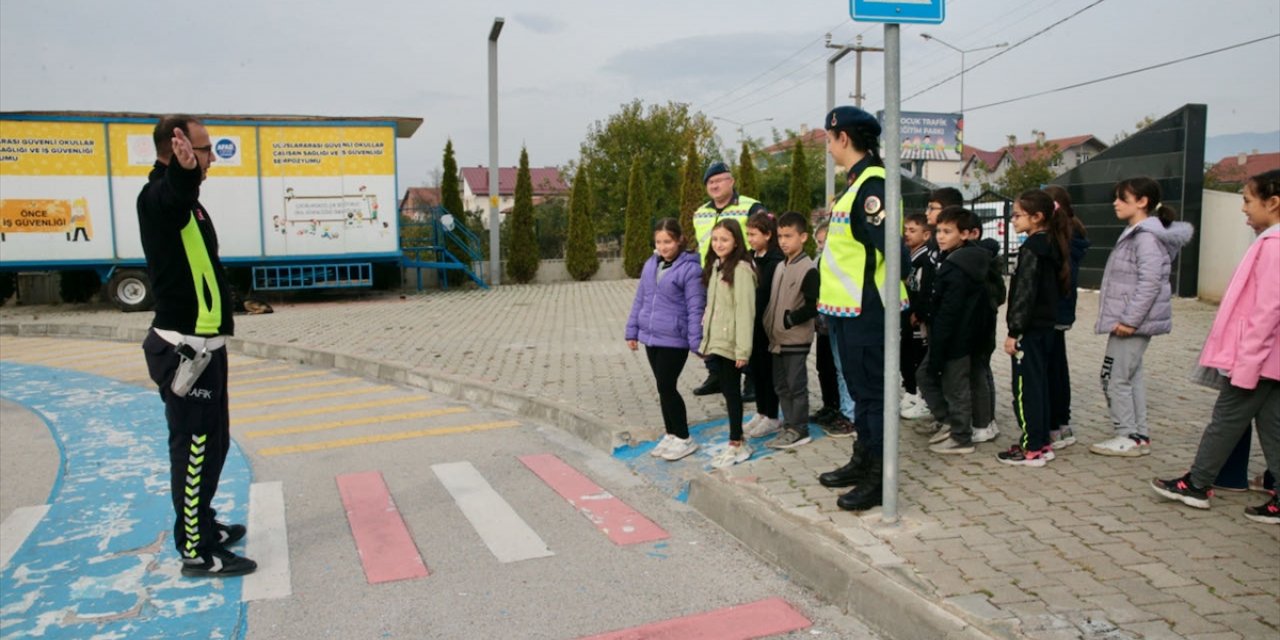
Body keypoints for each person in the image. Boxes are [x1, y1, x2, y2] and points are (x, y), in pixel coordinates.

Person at [137, 115, 255, 577]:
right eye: (204, 150)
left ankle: (202, 523)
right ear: (177, 147)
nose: (210, 159)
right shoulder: (158, 197)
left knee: (216, 444)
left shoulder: (191, 205)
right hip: (184, 350)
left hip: (208, 347)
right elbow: (174, 193)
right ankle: (195, 550)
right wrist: (183, 172)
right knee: (194, 450)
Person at [1151, 169, 1280, 524]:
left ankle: (1197, 484)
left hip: (1258, 360)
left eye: (1248, 200)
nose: (1243, 209)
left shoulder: (1274, 246)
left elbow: (1267, 311)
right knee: (1272, 426)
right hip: (1269, 361)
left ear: (1273, 203)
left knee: (1225, 421)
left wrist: (1246, 364)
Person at [814, 105, 909, 511]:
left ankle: (878, 478)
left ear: (844, 138)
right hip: (846, 311)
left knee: (873, 397)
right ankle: (863, 459)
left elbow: (896, 255)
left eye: (829, 140)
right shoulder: (855, 185)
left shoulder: (872, 186)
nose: (828, 148)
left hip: (868, 311)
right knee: (860, 393)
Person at [1090, 177, 1194, 457]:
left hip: (1131, 323)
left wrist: (1129, 320)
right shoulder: (1139, 233)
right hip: (1129, 321)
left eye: (1122, 198)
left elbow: (1149, 283)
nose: (1115, 203)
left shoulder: (1145, 237)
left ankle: (1127, 435)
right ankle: (1137, 434)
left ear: (1142, 201)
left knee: (1113, 377)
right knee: (1129, 376)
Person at [998, 189, 1070, 467]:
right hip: (1045, 327)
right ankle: (1040, 441)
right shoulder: (1051, 244)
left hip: (1030, 330)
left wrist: (1014, 331)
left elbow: (1024, 295)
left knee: (1026, 388)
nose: (1013, 220)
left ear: (1037, 217)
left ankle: (1032, 447)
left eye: (1017, 215)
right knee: (1039, 384)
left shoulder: (1032, 249)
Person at [626, 218, 706, 462]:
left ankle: (684, 437)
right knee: (662, 388)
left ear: (680, 240)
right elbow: (640, 298)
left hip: (674, 338)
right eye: (659, 242)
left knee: (668, 386)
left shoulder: (690, 269)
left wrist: (696, 341)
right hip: (651, 337)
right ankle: (671, 434)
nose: (663, 247)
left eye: (668, 241)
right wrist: (632, 331)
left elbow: (696, 307)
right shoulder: (651, 264)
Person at [918, 207, 991, 455]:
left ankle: (960, 436)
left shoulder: (958, 267)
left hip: (956, 337)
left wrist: (941, 340)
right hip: (956, 335)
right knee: (926, 375)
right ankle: (949, 422)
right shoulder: (952, 260)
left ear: (965, 235)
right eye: (939, 230)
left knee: (954, 386)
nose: (940, 236)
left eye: (947, 231)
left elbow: (951, 310)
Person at [691, 162, 766, 398]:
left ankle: (752, 380)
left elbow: (764, 237)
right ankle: (716, 375)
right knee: (712, 326)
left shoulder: (751, 206)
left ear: (731, 181)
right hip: (711, 276)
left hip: (741, 275)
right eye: (710, 182)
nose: (714, 185)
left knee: (745, 327)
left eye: (719, 180)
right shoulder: (701, 212)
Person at [698, 218, 757, 468]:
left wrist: (743, 349)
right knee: (726, 391)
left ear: (736, 242)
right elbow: (713, 306)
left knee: (732, 394)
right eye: (715, 239)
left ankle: (737, 443)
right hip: (717, 341)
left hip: (732, 343)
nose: (719, 244)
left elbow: (745, 311)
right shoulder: (716, 266)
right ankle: (737, 438)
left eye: (724, 239)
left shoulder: (741, 269)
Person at [762, 211, 820, 449]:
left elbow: (813, 306)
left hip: (795, 339)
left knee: (796, 386)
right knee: (781, 386)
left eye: (788, 236)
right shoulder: (780, 266)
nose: (783, 241)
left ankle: (801, 429)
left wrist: (790, 319)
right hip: (776, 339)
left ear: (803, 237)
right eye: (780, 236)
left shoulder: (808, 268)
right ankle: (789, 425)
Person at [1043, 185, 1090, 450]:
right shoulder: (1071, 236)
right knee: (1058, 368)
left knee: (1052, 372)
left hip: (1052, 313)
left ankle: (1054, 424)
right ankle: (1062, 423)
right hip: (1061, 313)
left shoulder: (1061, 240)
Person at [811, 221, 858, 438]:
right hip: (829, 323)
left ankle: (851, 416)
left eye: (825, 241)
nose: (822, 246)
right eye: (819, 242)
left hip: (844, 319)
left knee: (846, 369)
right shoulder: (821, 261)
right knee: (836, 368)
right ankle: (843, 410)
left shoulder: (843, 262)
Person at [743, 212, 784, 438]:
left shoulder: (775, 261)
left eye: (753, 234)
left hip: (767, 325)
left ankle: (772, 415)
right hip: (752, 324)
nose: (750, 239)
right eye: (747, 234)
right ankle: (760, 411)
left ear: (768, 235)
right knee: (756, 370)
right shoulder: (750, 257)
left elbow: (767, 292)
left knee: (768, 372)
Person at [965, 218, 1005, 444]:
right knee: (983, 372)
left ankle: (983, 422)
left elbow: (996, 296)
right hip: (984, 327)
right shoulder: (987, 262)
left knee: (978, 374)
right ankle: (987, 420)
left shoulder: (981, 264)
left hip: (980, 328)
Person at [900, 212, 934, 420]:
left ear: (926, 235)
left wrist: (918, 312)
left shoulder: (924, 259)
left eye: (913, 231)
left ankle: (922, 398)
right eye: (905, 230)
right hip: (905, 314)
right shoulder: (908, 256)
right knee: (905, 355)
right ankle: (910, 392)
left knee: (917, 357)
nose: (907, 234)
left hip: (916, 317)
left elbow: (924, 289)